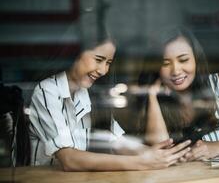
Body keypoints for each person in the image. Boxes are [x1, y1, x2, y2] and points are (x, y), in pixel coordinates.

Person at [28, 33, 191, 171]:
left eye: (108, 63)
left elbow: (116, 142)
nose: (103, 70)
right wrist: (142, 161)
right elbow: (69, 160)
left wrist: (158, 155)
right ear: (75, 54)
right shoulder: (47, 90)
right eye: (98, 59)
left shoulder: (86, 92)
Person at [138, 27, 219, 161]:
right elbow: (160, 154)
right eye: (165, 63)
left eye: (183, 60)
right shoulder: (153, 96)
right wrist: (152, 96)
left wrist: (218, 147)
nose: (176, 71)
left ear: (196, 59)